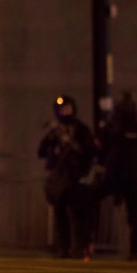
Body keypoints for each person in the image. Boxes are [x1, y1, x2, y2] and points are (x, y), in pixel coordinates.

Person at [38, 95, 96, 259]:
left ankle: (80, 247)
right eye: (62, 109)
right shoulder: (55, 132)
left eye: (68, 108)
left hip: (76, 178)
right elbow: (41, 151)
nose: (65, 111)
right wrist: (52, 137)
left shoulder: (80, 130)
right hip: (59, 179)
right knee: (60, 215)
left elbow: (90, 151)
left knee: (79, 216)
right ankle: (63, 247)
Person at [98, 91, 137, 261]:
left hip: (115, 176)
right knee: (135, 216)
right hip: (131, 177)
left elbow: (101, 150)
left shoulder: (113, 128)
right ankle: (136, 251)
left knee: (90, 201)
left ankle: (83, 244)